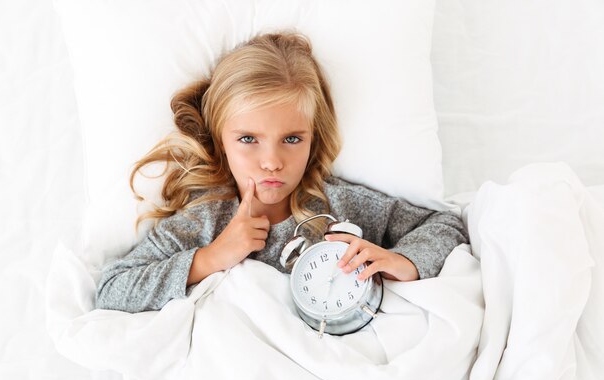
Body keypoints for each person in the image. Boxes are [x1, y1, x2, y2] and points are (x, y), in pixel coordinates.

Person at [95, 32, 468, 313]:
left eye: (291, 138)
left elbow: (445, 224)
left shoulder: (340, 204)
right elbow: (111, 289)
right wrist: (211, 258)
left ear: (313, 138)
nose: (271, 161)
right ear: (220, 140)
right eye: (248, 139)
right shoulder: (204, 221)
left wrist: (401, 261)